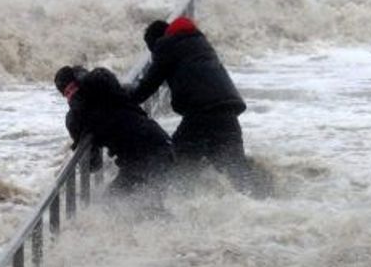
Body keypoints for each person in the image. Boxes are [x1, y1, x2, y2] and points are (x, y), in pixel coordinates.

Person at [128, 16, 256, 193]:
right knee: (238, 174)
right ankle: (261, 208)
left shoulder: (166, 46)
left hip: (200, 115)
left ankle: (170, 209)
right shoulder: (198, 42)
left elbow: (147, 87)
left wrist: (119, 99)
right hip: (227, 112)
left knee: (176, 165)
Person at [55, 65, 175, 198]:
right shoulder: (80, 117)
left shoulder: (104, 88)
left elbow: (101, 78)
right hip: (134, 162)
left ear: (80, 81)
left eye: (72, 88)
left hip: (156, 151)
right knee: (111, 203)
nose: (72, 95)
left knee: (152, 204)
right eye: (67, 93)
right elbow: (94, 165)